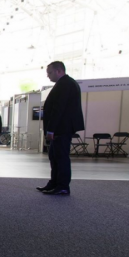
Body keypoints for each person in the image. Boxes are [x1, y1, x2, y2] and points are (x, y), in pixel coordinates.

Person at [39, 61, 85, 196]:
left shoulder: (66, 84)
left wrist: (51, 129)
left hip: (62, 128)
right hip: (60, 128)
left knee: (61, 157)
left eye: (50, 72)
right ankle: (54, 183)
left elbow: (59, 108)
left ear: (58, 71)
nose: (48, 75)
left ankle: (62, 186)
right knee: (54, 156)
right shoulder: (64, 83)